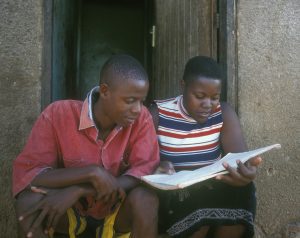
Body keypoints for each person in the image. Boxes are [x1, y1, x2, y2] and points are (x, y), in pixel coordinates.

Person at [13, 54, 160, 238]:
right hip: (67, 210)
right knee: (28, 202)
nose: (138, 109)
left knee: (146, 199)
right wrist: (91, 173)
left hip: (117, 213)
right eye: (130, 100)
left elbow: (144, 174)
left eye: (141, 101)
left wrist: (79, 189)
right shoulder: (58, 114)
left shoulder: (142, 119)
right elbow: (30, 176)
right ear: (105, 91)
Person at [149, 56, 262, 238]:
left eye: (214, 97)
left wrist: (246, 172)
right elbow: (141, 164)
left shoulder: (223, 113)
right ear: (183, 86)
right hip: (177, 194)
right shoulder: (158, 114)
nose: (207, 105)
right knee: (195, 202)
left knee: (244, 190)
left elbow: (241, 159)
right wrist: (160, 166)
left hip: (212, 187)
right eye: (199, 96)